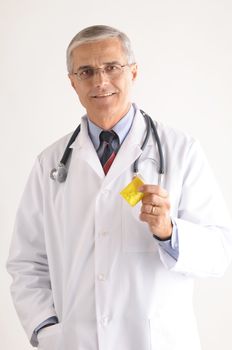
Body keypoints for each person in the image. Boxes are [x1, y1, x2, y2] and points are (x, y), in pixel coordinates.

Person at [7, 25, 232, 350]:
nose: (100, 81)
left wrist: (170, 232)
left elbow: (220, 252)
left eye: (112, 67)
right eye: (86, 71)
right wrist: (48, 332)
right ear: (73, 82)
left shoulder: (181, 150)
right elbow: (27, 262)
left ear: (133, 73)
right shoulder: (51, 163)